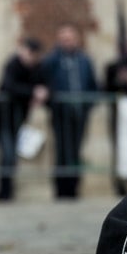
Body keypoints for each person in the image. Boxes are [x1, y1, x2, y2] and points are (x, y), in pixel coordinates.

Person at [37, 24, 97, 199]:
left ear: (76, 40)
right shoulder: (52, 60)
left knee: (76, 150)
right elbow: (43, 82)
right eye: (63, 39)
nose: (67, 42)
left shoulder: (84, 60)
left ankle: (74, 188)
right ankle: (62, 190)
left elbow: (93, 84)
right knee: (62, 150)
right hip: (60, 113)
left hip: (79, 113)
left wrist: (88, 104)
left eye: (70, 39)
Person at [0, 37, 46, 201]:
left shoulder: (37, 68)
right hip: (3, 117)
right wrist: (33, 92)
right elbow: (9, 87)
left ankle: (7, 190)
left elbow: (43, 83)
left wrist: (43, 91)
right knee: (7, 153)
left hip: (18, 117)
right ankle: (4, 192)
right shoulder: (13, 64)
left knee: (12, 154)